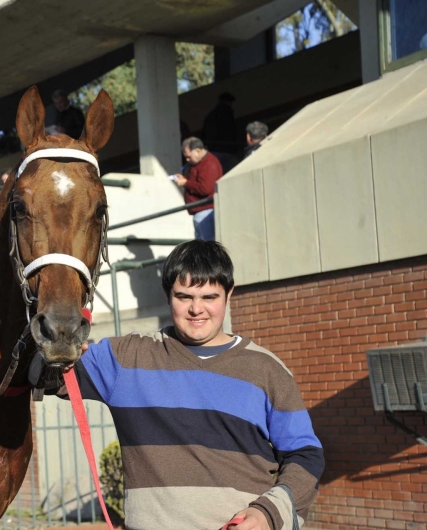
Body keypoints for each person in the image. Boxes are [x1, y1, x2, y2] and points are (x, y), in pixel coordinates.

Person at [31, 240, 324, 530]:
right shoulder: (125, 360)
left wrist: (268, 513)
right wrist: (56, 347)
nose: (197, 309)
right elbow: (37, 371)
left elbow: (306, 454)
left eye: (210, 297)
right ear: (168, 295)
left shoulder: (267, 370)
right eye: (184, 297)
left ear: (228, 294)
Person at [173, 137, 223, 241]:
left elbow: (205, 188)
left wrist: (185, 183)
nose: (187, 160)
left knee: (206, 247)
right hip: (200, 210)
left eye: (188, 157)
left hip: (206, 210)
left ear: (198, 151)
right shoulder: (197, 164)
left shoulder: (209, 163)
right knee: (201, 247)